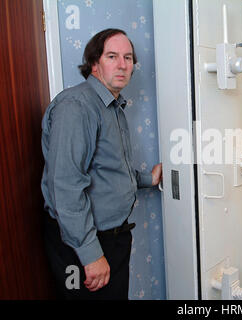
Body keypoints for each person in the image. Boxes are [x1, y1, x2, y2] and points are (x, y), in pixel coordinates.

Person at [41, 28, 162, 300]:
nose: (123, 65)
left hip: (113, 237)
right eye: (112, 56)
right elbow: (65, 187)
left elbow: (109, 169)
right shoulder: (77, 107)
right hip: (81, 243)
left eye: (128, 58)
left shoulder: (111, 106)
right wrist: (91, 254)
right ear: (94, 63)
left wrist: (147, 179)